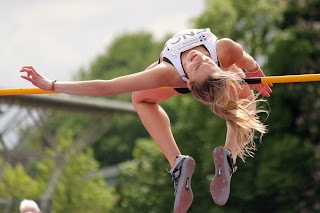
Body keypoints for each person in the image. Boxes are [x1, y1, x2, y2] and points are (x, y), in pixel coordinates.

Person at [20, 28, 272, 212]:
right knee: (243, 91)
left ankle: (209, 158)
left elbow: (108, 87)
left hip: (212, 72)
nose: (200, 58)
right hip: (206, 73)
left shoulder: (197, 64)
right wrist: (52, 85)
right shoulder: (201, 60)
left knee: (243, 96)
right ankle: (203, 158)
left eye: (202, 63)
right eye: (203, 62)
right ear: (190, 81)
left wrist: (253, 72)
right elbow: (108, 87)